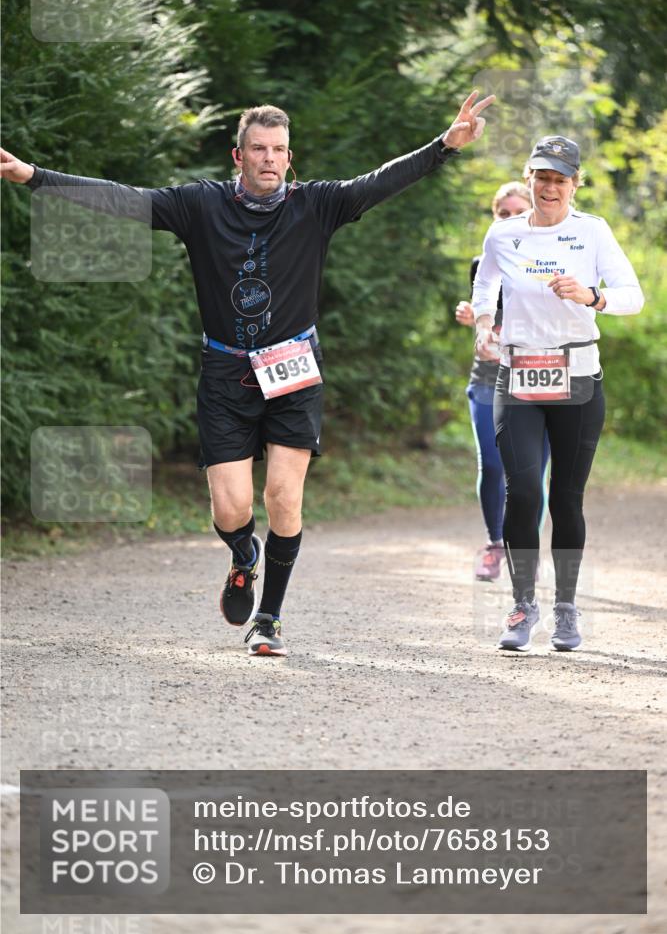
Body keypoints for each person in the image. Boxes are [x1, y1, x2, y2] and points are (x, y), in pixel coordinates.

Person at [1, 89, 495, 657]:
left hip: (293, 370)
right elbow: (126, 200)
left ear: (290, 156)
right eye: (257, 149)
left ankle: (270, 618)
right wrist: (35, 176)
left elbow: (376, 183)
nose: (268, 159)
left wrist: (443, 147)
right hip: (225, 372)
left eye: (278, 150)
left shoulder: (317, 204)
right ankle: (243, 556)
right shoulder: (200, 205)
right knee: (232, 508)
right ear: (238, 156)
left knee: (284, 498)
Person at [472, 135, 644, 653]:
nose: (550, 187)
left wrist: (592, 295)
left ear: (575, 185)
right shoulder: (503, 235)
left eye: (560, 179)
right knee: (522, 492)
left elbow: (632, 297)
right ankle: (523, 604)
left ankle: (566, 607)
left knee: (567, 500)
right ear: (529, 179)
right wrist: (484, 324)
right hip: (519, 372)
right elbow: (485, 287)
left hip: (578, 375)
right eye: (542, 177)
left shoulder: (591, 232)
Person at [455, 181, 548, 582]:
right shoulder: (483, 262)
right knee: (493, 465)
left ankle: (525, 550)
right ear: (495, 218)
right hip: (490, 377)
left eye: (517, 212)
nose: (510, 220)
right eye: (502, 214)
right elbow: (485, 316)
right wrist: (475, 319)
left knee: (531, 472)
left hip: (541, 375)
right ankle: (495, 544)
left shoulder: (554, 260)